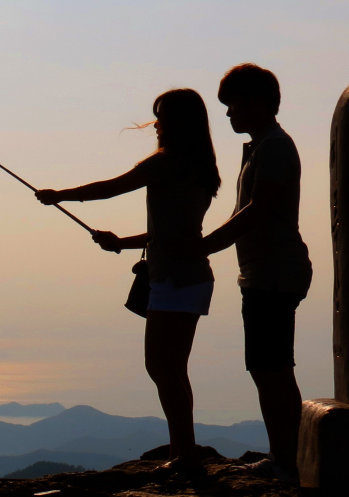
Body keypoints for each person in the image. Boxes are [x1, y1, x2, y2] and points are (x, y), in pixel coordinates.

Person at [36, 88, 221, 472]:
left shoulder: (167, 162)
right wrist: (123, 243)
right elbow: (172, 230)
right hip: (188, 275)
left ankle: (184, 454)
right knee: (170, 368)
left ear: (176, 122)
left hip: (176, 278)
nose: (157, 124)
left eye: (162, 116)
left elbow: (111, 187)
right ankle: (182, 451)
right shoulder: (199, 165)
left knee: (163, 368)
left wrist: (60, 195)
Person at [202, 63, 312, 484]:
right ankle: (285, 458)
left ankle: (285, 462)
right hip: (267, 271)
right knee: (271, 367)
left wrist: (206, 246)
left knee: (271, 368)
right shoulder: (262, 146)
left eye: (232, 105)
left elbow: (258, 210)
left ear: (256, 102)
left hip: (273, 272)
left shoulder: (275, 147)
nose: (228, 114)